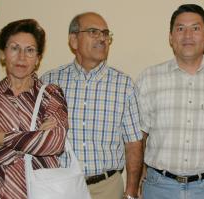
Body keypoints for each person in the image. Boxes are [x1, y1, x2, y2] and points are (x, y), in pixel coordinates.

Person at [136, 4, 204, 199]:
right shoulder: (149, 78)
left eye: (196, 28)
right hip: (158, 187)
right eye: (180, 28)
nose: (188, 35)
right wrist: (136, 179)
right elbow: (139, 135)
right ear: (171, 37)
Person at [41, 12, 143, 199]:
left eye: (105, 33)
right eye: (93, 32)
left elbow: (134, 144)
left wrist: (131, 192)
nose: (102, 38)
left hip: (108, 187)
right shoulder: (49, 82)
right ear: (73, 40)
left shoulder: (124, 85)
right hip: (61, 186)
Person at [0, 19, 68, 198]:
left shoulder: (51, 94)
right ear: (2, 54)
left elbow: (55, 143)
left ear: (38, 59)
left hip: (40, 192)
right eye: (14, 48)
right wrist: (33, 140)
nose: (22, 57)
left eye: (30, 50)